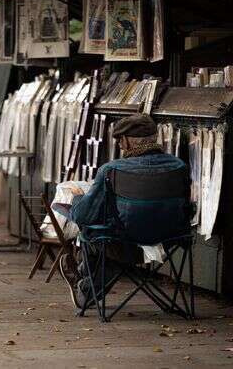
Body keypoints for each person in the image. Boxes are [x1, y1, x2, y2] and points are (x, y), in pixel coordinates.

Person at [58, 114, 188, 308]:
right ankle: (84, 280)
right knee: (113, 230)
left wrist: (77, 196)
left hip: (123, 242)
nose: (119, 145)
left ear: (127, 141)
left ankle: (86, 283)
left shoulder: (112, 169)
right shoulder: (179, 166)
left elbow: (82, 215)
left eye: (120, 140)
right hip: (169, 239)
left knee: (93, 229)